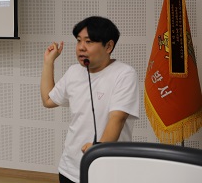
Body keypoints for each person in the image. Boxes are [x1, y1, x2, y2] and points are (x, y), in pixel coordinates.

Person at [40, 16, 139, 183]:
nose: (81, 47)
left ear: (108, 46)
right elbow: (48, 100)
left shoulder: (124, 74)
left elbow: (118, 118)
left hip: (106, 169)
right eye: (78, 41)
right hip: (70, 168)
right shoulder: (73, 72)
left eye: (89, 41)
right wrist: (48, 62)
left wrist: (98, 150)